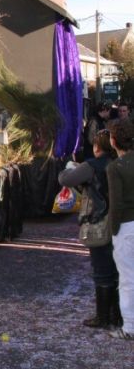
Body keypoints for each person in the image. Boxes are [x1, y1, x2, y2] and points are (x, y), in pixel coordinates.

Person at [58, 130, 119, 329]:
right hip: (120, 220)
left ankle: (103, 316)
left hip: (99, 219)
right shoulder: (118, 163)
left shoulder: (92, 165)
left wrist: (67, 169)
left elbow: (66, 180)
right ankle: (116, 314)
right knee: (118, 270)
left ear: (97, 146)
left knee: (101, 269)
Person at [106, 118, 134, 340]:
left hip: (125, 226)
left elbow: (115, 204)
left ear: (114, 141)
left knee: (127, 278)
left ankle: (130, 327)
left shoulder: (115, 167)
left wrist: (112, 230)